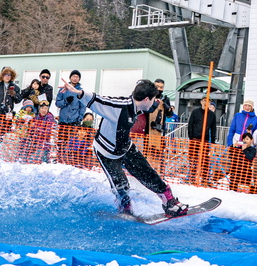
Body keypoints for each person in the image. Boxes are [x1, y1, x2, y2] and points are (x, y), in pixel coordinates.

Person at [75, 79, 188, 217]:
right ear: (146, 99)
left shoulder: (142, 105)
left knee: (147, 172)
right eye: (153, 99)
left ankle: (169, 202)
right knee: (121, 185)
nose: (154, 103)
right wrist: (78, 92)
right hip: (106, 152)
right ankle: (125, 208)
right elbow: (99, 100)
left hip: (125, 147)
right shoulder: (119, 106)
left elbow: (153, 108)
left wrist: (161, 104)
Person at [187, 97, 219, 185]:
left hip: (205, 140)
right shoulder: (195, 112)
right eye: (204, 100)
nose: (206, 102)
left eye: (208, 101)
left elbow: (213, 128)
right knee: (193, 158)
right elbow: (190, 125)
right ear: (201, 102)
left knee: (205, 160)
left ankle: (204, 178)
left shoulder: (212, 115)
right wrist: (191, 137)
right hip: (195, 139)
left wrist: (212, 141)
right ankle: (192, 176)